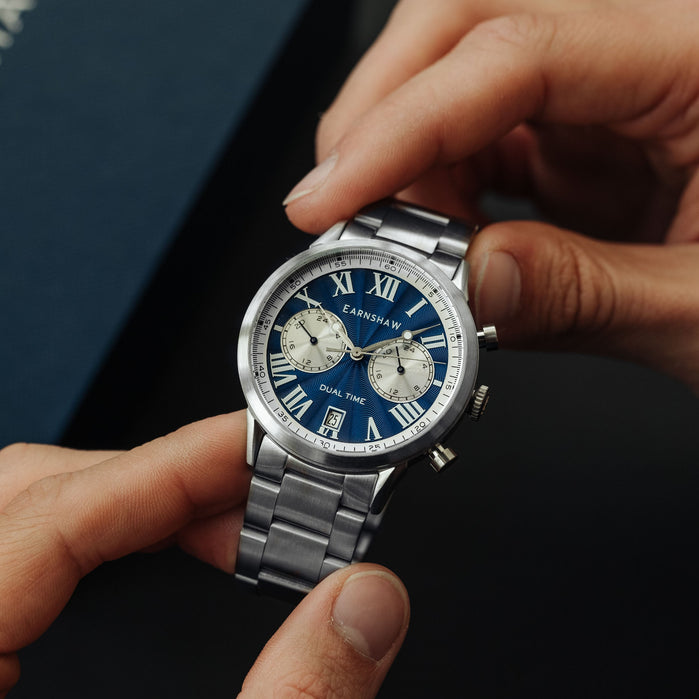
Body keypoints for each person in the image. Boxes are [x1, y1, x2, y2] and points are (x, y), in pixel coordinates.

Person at [2, 0, 698, 696]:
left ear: (462, 394)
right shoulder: (324, 312)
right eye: (320, 339)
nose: (357, 357)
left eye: (386, 361)